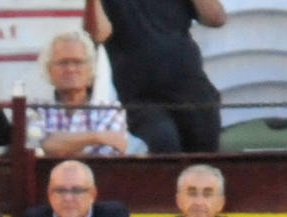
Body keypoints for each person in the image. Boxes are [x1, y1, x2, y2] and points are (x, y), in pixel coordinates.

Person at [91, 0, 224, 154]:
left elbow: (216, 18)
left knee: (204, 156)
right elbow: (99, 33)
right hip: (142, 97)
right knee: (164, 142)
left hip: (192, 89)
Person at [32, 29, 129, 158]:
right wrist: (98, 136)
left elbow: (109, 155)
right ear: (49, 69)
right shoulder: (35, 109)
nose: (71, 69)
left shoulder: (110, 109)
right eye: (63, 62)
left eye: (78, 62)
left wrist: (58, 144)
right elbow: (37, 146)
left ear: (90, 68)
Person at [8, 159, 135, 217]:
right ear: (49, 194)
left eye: (77, 190)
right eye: (60, 190)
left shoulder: (113, 212)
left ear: (93, 194)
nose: (68, 198)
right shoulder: (35, 215)